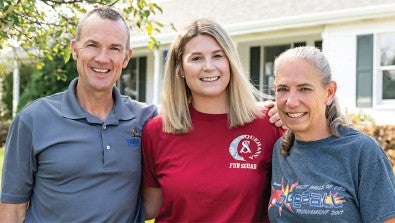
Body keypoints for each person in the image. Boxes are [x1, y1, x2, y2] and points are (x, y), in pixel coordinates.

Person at [0, 7, 158, 222]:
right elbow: (13, 210)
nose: (103, 58)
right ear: (75, 49)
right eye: (92, 45)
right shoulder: (32, 119)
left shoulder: (146, 120)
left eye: (114, 48)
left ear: (126, 57)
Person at [141, 18, 285, 223]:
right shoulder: (157, 131)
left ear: (230, 62)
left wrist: (294, 117)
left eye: (218, 56)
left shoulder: (269, 124)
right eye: (196, 58)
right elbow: (149, 207)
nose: (209, 67)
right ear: (180, 69)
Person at [268, 46, 395, 222]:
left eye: (304, 89)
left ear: (329, 92)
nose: (291, 101)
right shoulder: (280, 150)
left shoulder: (362, 152)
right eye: (283, 89)